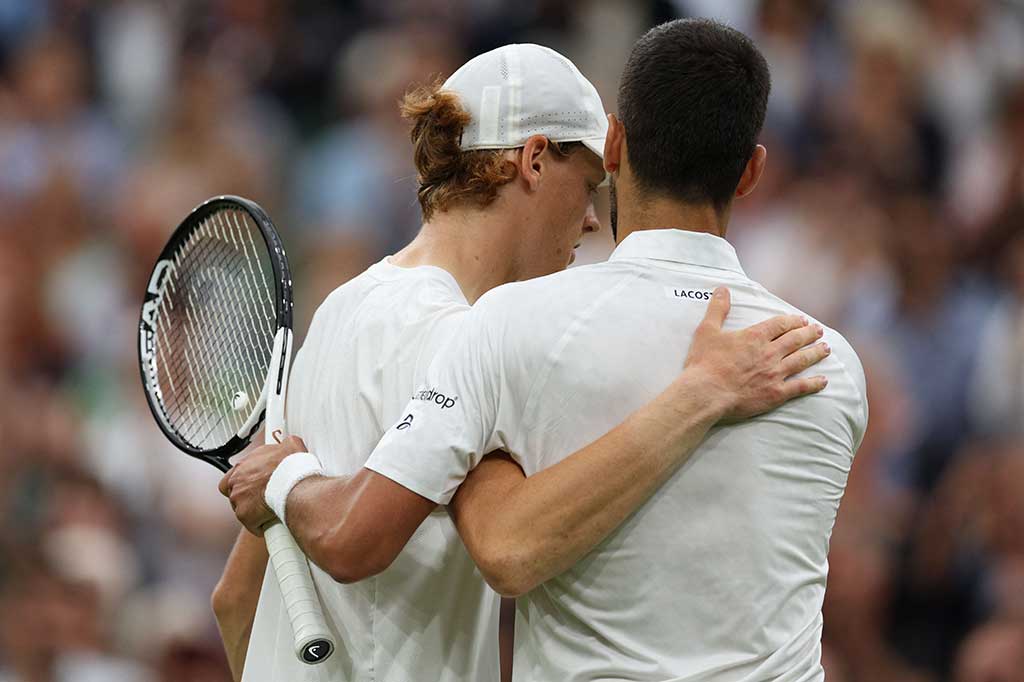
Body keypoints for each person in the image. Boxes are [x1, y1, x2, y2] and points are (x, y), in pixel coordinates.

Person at [218, 37, 834, 682]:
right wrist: (701, 389)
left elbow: (234, 601)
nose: (596, 220)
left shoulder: (340, 310)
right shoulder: (459, 337)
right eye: (591, 185)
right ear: (535, 160)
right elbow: (511, 540)